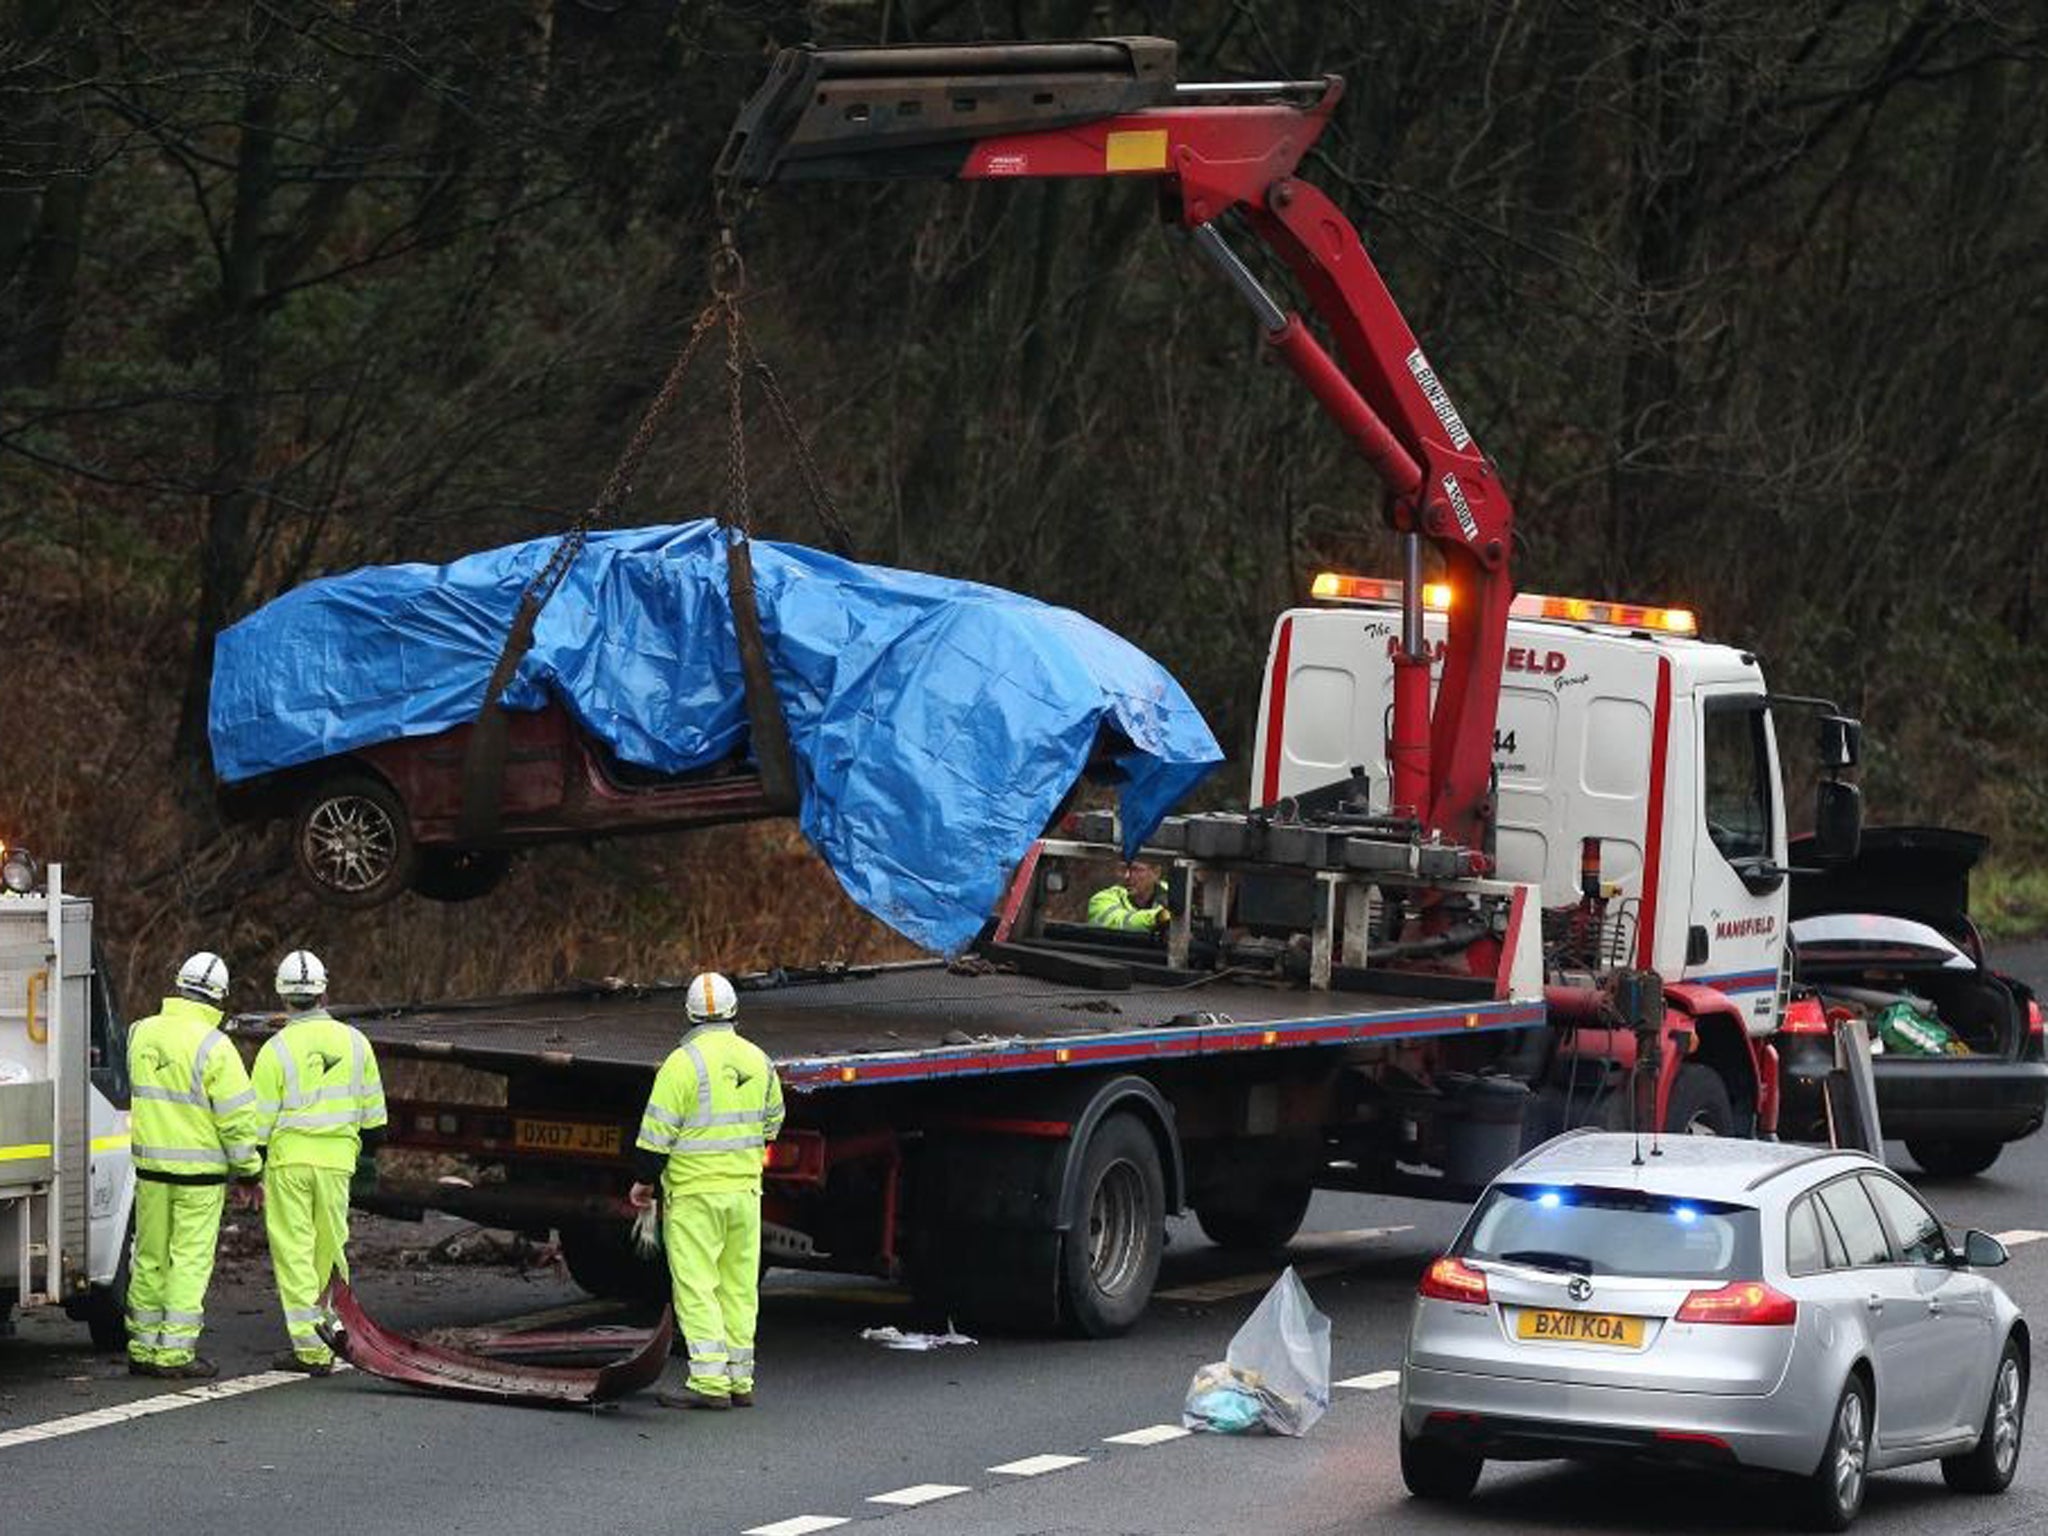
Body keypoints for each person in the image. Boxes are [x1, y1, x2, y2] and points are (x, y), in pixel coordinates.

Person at [628, 972, 784, 1410]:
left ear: (691, 1014)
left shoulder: (682, 1064)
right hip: (745, 1194)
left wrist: (644, 1182)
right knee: (738, 1287)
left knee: (697, 1286)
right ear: (734, 1012)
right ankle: (740, 1380)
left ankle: (709, 1384)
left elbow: (655, 1135)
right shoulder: (759, 1060)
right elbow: (773, 1123)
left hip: (695, 1195)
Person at [124, 951, 261, 1379]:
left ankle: (142, 1349)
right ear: (218, 998)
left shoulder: (140, 1033)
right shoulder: (215, 1046)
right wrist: (250, 1169)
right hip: (199, 1178)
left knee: (148, 1257)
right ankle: (175, 1354)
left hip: (149, 1170)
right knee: (189, 1260)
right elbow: (237, 1120)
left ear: (178, 984)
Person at [249, 949, 387, 1374]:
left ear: (281, 994)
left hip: (289, 1164)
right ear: (325, 991)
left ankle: (310, 1348)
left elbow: (257, 1125)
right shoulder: (356, 1043)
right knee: (329, 1248)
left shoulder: (275, 1050)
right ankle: (335, 1330)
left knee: (294, 1252)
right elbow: (375, 1123)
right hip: (336, 1163)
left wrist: (250, 1170)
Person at [1087, 860, 1171, 933]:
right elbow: (1119, 923)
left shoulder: (1176, 895)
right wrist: (1157, 917)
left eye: (1135, 869)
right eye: (1123, 869)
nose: (1126, 876)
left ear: (1156, 872)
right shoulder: (1100, 900)